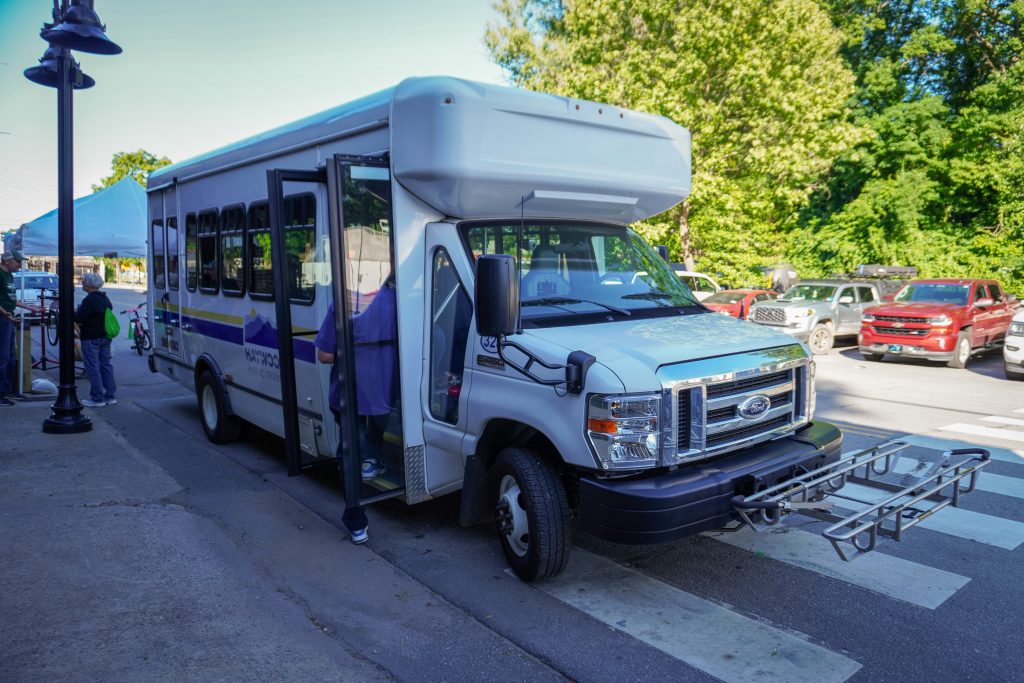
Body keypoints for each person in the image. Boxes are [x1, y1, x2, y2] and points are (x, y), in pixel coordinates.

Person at [315, 274, 399, 545]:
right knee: (373, 430)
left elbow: (324, 355)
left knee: (349, 454)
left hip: (348, 393)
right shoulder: (398, 302)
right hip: (384, 392)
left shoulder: (341, 305)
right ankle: (372, 459)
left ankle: (356, 523)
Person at [74, 272, 117, 407]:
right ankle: (110, 396)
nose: (82, 283)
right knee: (106, 365)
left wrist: (76, 312)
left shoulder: (89, 300)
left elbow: (79, 318)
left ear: (88, 284)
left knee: (93, 367)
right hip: (105, 336)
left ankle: (97, 398)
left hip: (91, 337)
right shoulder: (104, 298)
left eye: (83, 281)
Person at [0, 249, 24, 406]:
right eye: (17, 261)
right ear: (7, 261)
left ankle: (7, 391)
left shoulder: (9, 275)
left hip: (7, 318)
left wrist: (31, 308)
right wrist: (5, 314)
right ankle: (1, 393)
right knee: (2, 357)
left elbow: (10, 298)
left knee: (10, 356)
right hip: (2, 319)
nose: (20, 265)